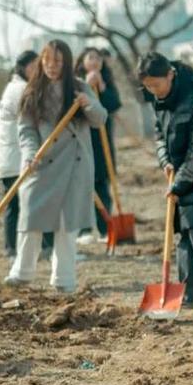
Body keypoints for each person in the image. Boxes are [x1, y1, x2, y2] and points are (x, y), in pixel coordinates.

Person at [5, 40, 107, 292]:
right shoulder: (32, 91)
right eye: (47, 61)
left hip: (75, 164)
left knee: (66, 225)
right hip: (41, 163)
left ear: (67, 63)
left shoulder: (80, 87)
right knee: (31, 218)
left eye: (57, 62)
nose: (51, 66)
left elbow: (100, 119)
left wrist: (88, 104)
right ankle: (22, 273)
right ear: (41, 61)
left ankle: (64, 280)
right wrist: (29, 154)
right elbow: (26, 129)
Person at [138, 51, 193, 311]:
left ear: (170, 75)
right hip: (179, 174)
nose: (154, 91)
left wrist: (181, 182)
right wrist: (165, 161)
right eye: (148, 87)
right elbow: (159, 134)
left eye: (157, 84)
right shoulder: (160, 100)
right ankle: (189, 289)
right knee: (183, 235)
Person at [0, 51, 53, 260]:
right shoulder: (21, 89)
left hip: (13, 157)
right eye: (36, 65)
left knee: (18, 204)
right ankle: (21, 249)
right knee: (25, 204)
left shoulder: (15, 86)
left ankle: (19, 249)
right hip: (17, 157)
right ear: (25, 67)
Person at [74, 47, 121, 244]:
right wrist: (87, 85)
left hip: (102, 138)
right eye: (91, 57)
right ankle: (84, 230)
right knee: (83, 184)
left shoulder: (107, 80)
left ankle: (104, 229)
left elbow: (114, 104)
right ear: (82, 61)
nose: (95, 61)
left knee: (102, 182)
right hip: (82, 138)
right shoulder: (75, 82)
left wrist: (101, 85)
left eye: (98, 58)